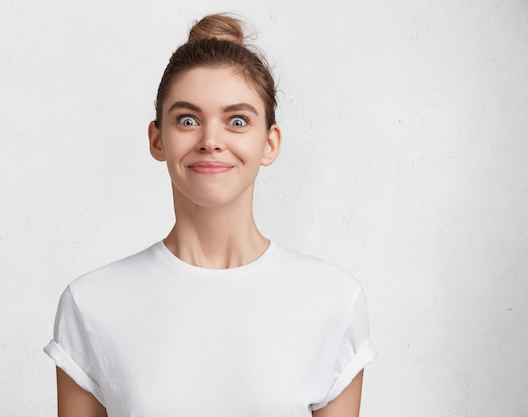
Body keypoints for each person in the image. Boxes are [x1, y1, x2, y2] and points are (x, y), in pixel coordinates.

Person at [44, 13, 376, 417]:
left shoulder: (334, 300)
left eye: (237, 121)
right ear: (157, 139)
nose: (211, 141)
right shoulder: (91, 304)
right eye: (188, 119)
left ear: (269, 144)